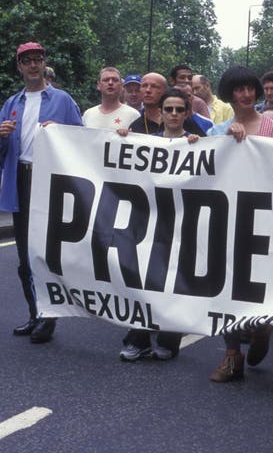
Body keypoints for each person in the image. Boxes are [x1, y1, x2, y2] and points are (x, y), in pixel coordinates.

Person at [208, 66, 273, 383]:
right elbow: (204, 163)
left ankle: (262, 327)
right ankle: (231, 356)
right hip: (227, 217)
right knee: (225, 286)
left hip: (265, 218)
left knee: (257, 284)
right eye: (238, 90)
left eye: (249, 89)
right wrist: (224, 142)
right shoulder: (219, 130)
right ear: (230, 94)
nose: (245, 95)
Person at [0, 42, 83, 343]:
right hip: (20, 181)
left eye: (38, 60)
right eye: (27, 61)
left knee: (47, 253)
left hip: (50, 183)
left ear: (44, 64)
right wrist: (2, 137)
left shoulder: (61, 100)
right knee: (25, 256)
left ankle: (50, 316)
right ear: (19, 67)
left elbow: (83, 141)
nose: (33, 65)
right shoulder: (11, 102)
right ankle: (35, 314)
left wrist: (59, 130)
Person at [117, 88, 199, 361]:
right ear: (160, 113)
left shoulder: (198, 143)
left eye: (179, 109)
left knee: (173, 282)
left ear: (187, 113)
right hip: (148, 224)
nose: (174, 114)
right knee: (142, 279)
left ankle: (168, 339)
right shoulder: (144, 142)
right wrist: (121, 141)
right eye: (169, 109)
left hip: (182, 226)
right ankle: (137, 338)